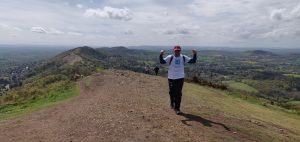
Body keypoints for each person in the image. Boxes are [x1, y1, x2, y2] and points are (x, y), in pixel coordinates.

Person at [160, 45, 197, 115]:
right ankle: (172, 102)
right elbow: (162, 62)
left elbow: (193, 61)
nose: (177, 52)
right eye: (176, 50)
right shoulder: (170, 57)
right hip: (171, 77)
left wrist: (195, 54)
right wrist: (161, 54)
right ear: (173, 51)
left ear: (180, 51)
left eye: (178, 50)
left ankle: (177, 108)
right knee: (171, 92)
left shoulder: (183, 57)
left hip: (180, 77)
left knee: (178, 93)